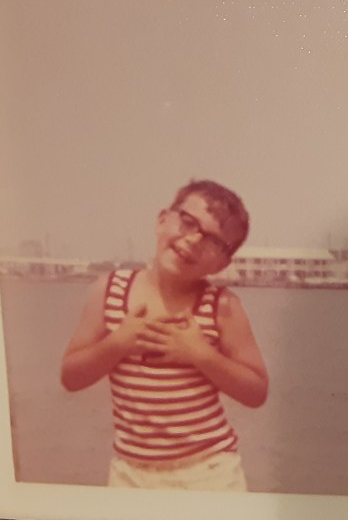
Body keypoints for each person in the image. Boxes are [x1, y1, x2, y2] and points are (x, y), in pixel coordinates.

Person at [60, 179, 268, 491]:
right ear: (162, 220)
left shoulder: (223, 306)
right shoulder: (109, 290)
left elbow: (256, 392)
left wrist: (201, 354)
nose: (194, 240)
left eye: (213, 240)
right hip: (131, 473)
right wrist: (118, 344)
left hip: (208, 471)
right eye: (188, 222)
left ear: (223, 262)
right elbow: (71, 377)